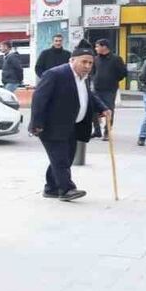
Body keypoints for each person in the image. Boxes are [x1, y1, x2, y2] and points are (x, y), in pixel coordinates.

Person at [31, 41, 110, 201]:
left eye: (90, 62)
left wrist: (103, 108)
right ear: (72, 60)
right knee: (60, 158)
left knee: (65, 158)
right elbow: (39, 99)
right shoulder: (56, 74)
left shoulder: (84, 78)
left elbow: (89, 95)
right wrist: (36, 123)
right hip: (51, 126)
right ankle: (67, 189)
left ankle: (51, 188)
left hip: (72, 126)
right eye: (84, 62)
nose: (87, 66)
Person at [89, 39, 126, 141]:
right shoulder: (95, 59)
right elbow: (92, 72)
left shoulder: (116, 59)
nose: (96, 49)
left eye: (97, 46)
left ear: (104, 47)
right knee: (93, 110)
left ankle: (107, 132)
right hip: (96, 88)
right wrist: (94, 79)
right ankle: (97, 130)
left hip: (110, 89)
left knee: (109, 110)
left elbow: (123, 73)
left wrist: (113, 79)